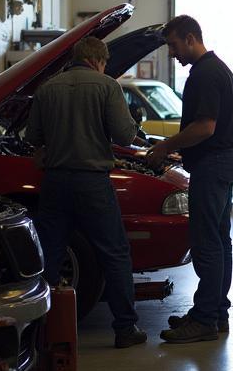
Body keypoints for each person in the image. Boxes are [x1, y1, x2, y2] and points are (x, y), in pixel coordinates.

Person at [28, 36, 146, 349]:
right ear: (98, 60)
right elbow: (124, 134)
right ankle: (125, 329)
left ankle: (44, 331)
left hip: (54, 182)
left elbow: (32, 138)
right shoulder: (107, 86)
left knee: (50, 255)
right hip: (93, 183)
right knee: (114, 253)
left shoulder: (47, 88)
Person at [147, 15, 233, 344]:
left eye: (173, 44)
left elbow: (205, 127)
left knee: (206, 244)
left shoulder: (204, 74)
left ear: (190, 38)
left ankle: (204, 320)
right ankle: (216, 312)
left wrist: (165, 146)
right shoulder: (218, 69)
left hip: (212, 163)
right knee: (219, 240)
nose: (172, 52)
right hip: (224, 161)